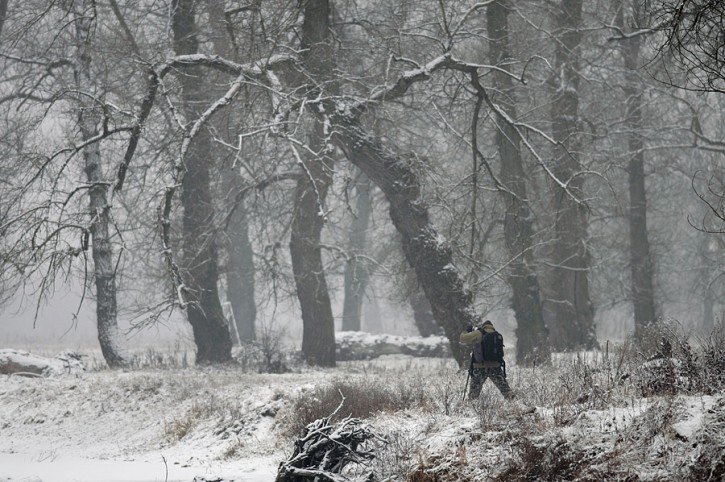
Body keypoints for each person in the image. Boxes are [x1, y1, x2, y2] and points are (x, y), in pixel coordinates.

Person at [459, 319, 513, 400]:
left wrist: (466, 330)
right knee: (506, 391)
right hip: (496, 367)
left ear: (483, 326)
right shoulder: (497, 335)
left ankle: (471, 407)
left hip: (480, 367)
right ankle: (514, 403)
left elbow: (463, 338)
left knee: (474, 394)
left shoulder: (478, 333)